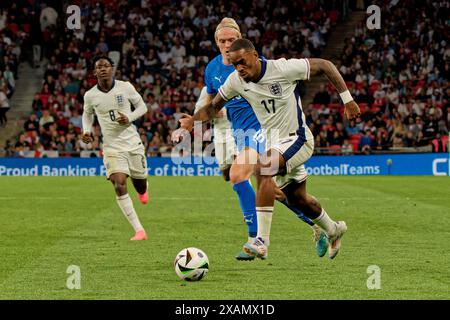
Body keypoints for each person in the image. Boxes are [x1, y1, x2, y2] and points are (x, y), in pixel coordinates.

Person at [174, 39, 360, 259]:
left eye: (242, 62)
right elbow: (214, 107)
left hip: (297, 138)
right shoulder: (235, 80)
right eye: (235, 65)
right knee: (298, 199)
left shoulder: (282, 68)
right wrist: (191, 122)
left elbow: (326, 65)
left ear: (254, 55)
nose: (239, 68)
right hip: (274, 143)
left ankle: (261, 241)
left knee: (263, 168)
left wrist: (347, 100)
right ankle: (334, 230)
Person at [82, 56, 149, 241]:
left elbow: (142, 107)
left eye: (106, 66)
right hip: (111, 147)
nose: (103, 69)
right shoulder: (90, 95)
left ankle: (143, 190)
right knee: (118, 183)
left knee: (140, 183)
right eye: (99, 67)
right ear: (95, 72)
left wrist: (129, 117)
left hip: (132, 143)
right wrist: (87, 131)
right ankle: (139, 230)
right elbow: (87, 115)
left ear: (112, 69)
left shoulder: (125, 87)